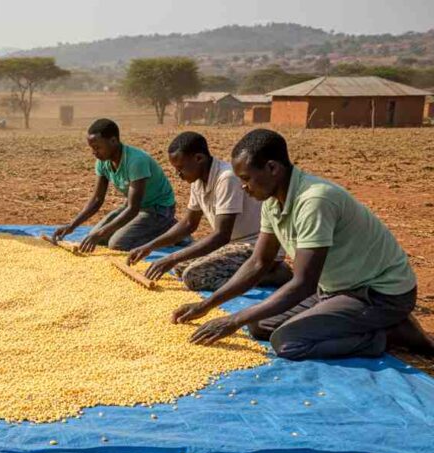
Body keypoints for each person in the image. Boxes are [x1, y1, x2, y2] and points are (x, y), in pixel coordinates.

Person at [173, 129, 434, 360]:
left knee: (287, 342)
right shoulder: (272, 202)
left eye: (247, 178)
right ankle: (359, 321)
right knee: (259, 325)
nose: (243, 187)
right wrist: (207, 305)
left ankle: (388, 334)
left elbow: (303, 283)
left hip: (377, 293)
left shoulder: (315, 201)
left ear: (272, 168)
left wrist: (233, 319)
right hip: (334, 287)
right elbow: (258, 262)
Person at [127, 131, 292, 291]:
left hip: (255, 246)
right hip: (232, 245)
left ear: (199, 158)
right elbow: (188, 223)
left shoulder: (226, 178)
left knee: (193, 276)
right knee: (179, 267)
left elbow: (221, 235)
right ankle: (254, 272)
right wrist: (149, 247)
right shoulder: (197, 182)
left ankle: (273, 275)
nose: (178, 174)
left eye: (181, 168)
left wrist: (172, 257)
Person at [53, 119, 178, 253]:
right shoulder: (103, 162)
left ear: (113, 141)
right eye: (92, 148)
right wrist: (72, 225)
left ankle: (172, 233)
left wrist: (101, 233)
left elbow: (133, 209)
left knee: (118, 244)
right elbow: (97, 199)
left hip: (158, 209)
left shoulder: (136, 161)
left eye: (97, 147)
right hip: (135, 207)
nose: (94, 152)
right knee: (96, 238)